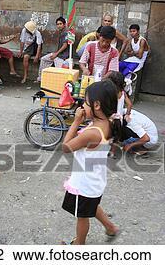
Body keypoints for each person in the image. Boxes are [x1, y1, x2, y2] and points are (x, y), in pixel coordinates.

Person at [61, 80, 121, 245]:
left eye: (85, 103)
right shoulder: (108, 123)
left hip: (85, 183)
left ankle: (79, 244)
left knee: (82, 217)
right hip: (95, 180)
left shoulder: (92, 133)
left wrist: (75, 122)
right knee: (91, 206)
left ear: (96, 105)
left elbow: (66, 147)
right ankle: (110, 228)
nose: (82, 106)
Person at [37, 17, 69, 81]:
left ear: (64, 24)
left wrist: (56, 54)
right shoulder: (61, 32)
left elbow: (65, 45)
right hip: (58, 54)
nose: (59, 25)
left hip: (63, 56)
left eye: (60, 24)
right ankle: (41, 78)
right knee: (44, 59)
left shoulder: (66, 33)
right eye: (57, 24)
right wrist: (55, 53)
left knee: (59, 72)